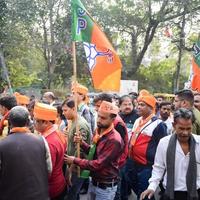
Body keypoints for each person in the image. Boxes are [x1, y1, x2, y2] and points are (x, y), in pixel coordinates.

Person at [64, 101, 124, 200]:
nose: (99, 120)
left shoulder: (114, 140)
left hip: (105, 187)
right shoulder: (99, 130)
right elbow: (94, 152)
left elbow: (98, 164)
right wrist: (82, 143)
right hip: (94, 181)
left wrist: (75, 160)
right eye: (99, 116)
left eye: (103, 118)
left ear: (113, 119)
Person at [141, 108, 200, 200]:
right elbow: (159, 167)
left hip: (196, 192)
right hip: (171, 193)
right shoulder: (164, 143)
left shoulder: (199, 143)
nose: (185, 133)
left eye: (188, 129)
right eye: (181, 128)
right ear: (174, 125)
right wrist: (152, 187)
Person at [0, 106, 51, 200]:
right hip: (39, 195)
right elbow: (49, 170)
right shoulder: (41, 140)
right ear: (28, 122)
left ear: (9, 123)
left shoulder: (2, 144)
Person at [127, 92, 167, 200]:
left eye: (142, 104)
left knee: (144, 192)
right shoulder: (137, 120)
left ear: (151, 107)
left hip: (147, 166)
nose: (138, 107)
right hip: (133, 162)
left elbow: (163, 146)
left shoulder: (159, 124)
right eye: (138, 104)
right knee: (137, 188)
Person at [34, 102, 67, 200]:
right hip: (59, 182)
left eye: (36, 121)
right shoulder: (58, 132)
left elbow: (47, 172)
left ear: (46, 122)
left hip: (51, 189)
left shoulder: (49, 143)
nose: (33, 123)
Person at [62, 99, 91, 200]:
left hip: (78, 167)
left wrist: (70, 170)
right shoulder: (73, 122)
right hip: (73, 164)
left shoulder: (80, 125)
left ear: (73, 109)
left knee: (72, 194)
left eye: (65, 110)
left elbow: (80, 152)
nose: (63, 113)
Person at [117, 95, 139, 200]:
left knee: (129, 176)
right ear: (120, 106)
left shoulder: (137, 117)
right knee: (123, 177)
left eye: (129, 104)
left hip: (132, 153)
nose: (127, 106)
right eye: (124, 104)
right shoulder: (117, 117)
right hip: (120, 152)